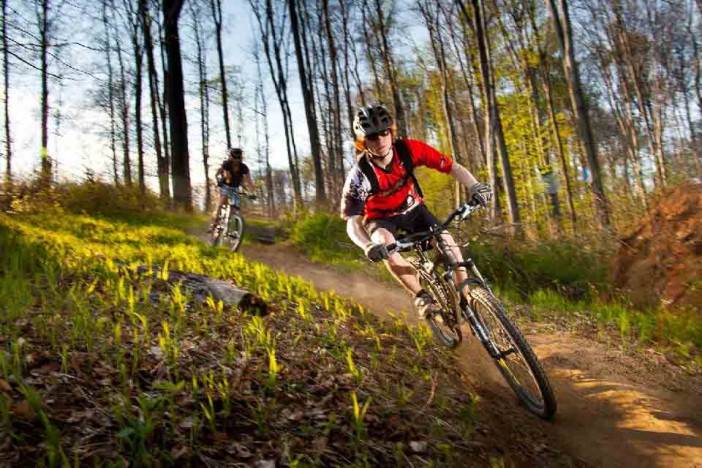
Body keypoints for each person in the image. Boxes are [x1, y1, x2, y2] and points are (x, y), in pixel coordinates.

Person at [340, 104, 492, 320]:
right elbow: (352, 222)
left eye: (385, 133)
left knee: (451, 247)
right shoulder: (359, 177)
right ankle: (421, 295)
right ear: (363, 143)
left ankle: (468, 306)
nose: (381, 140)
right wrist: (368, 246)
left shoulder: (409, 149)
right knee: (384, 243)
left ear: (392, 132)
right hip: (381, 220)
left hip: (413, 209)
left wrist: (476, 186)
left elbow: (452, 167)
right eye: (373, 137)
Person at [209, 147, 256, 231]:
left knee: (235, 207)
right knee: (221, 202)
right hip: (225, 185)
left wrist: (252, 192)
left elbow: (249, 181)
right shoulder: (227, 164)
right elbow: (227, 176)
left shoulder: (244, 167)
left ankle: (233, 226)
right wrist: (224, 177)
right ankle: (214, 223)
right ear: (230, 157)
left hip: (235, 187)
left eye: (239, 158)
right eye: (234, 157)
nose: (236, 160)